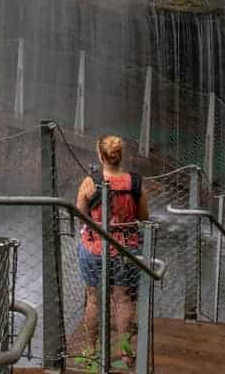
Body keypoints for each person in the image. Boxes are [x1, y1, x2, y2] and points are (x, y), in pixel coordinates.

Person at [76, 134, 148, 366]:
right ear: (121, 156)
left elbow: (80, 215)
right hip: (126, 249)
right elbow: (144, 217)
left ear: (100, 155)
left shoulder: (89, 182)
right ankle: (126, 352)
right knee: (124, 299)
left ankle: (89, 350)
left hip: (95, 246)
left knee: (94, 300)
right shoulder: (135, 183)